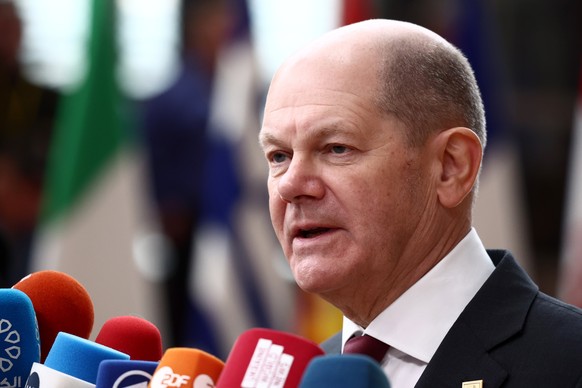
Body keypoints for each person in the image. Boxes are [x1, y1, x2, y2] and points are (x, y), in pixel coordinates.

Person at [258, 19, 582, 387]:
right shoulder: (303, 378)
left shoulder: (569, 365)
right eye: (279, 156)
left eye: (336, 148)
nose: (291, 186)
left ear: (450, 167)